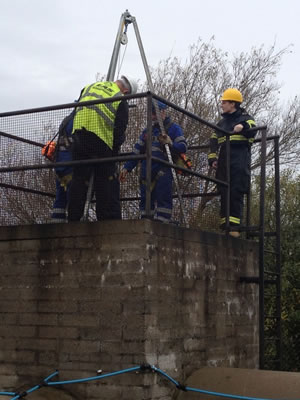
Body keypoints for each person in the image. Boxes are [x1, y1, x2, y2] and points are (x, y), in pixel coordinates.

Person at [67, 76, 138, 221]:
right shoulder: (120, 98)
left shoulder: (90, 87)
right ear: (126, 91)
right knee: (106, 179)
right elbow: (119, 131)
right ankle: (107, 220)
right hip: (99, 142)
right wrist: (114, 152)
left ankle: (73, 219)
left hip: (78, 138)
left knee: (79, 179)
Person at [120, 100, 187, 223]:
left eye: (155, 113)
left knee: (163, 197)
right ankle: (145, 221)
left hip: (164, 169)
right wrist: (127, 167)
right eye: (151, 114)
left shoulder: (173, 128)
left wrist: (171, 143)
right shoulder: (147, 132)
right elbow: (137, 151)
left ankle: (162, 223)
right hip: (147, 171)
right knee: (145, 199)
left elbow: (183, 147)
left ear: (163, 112)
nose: (153, 116)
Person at [208, 88, 256, 237]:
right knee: (223, 189)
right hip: (224, 158)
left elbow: (253, 128)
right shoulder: (222, 123)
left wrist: (243, 127)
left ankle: (234, 227)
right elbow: (214, 138)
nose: (221, 104)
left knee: (235, 190)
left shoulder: (245, 117)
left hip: (239, 158)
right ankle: (225, 225)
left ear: (233, 104)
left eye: (224, 102)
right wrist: (212, 158)